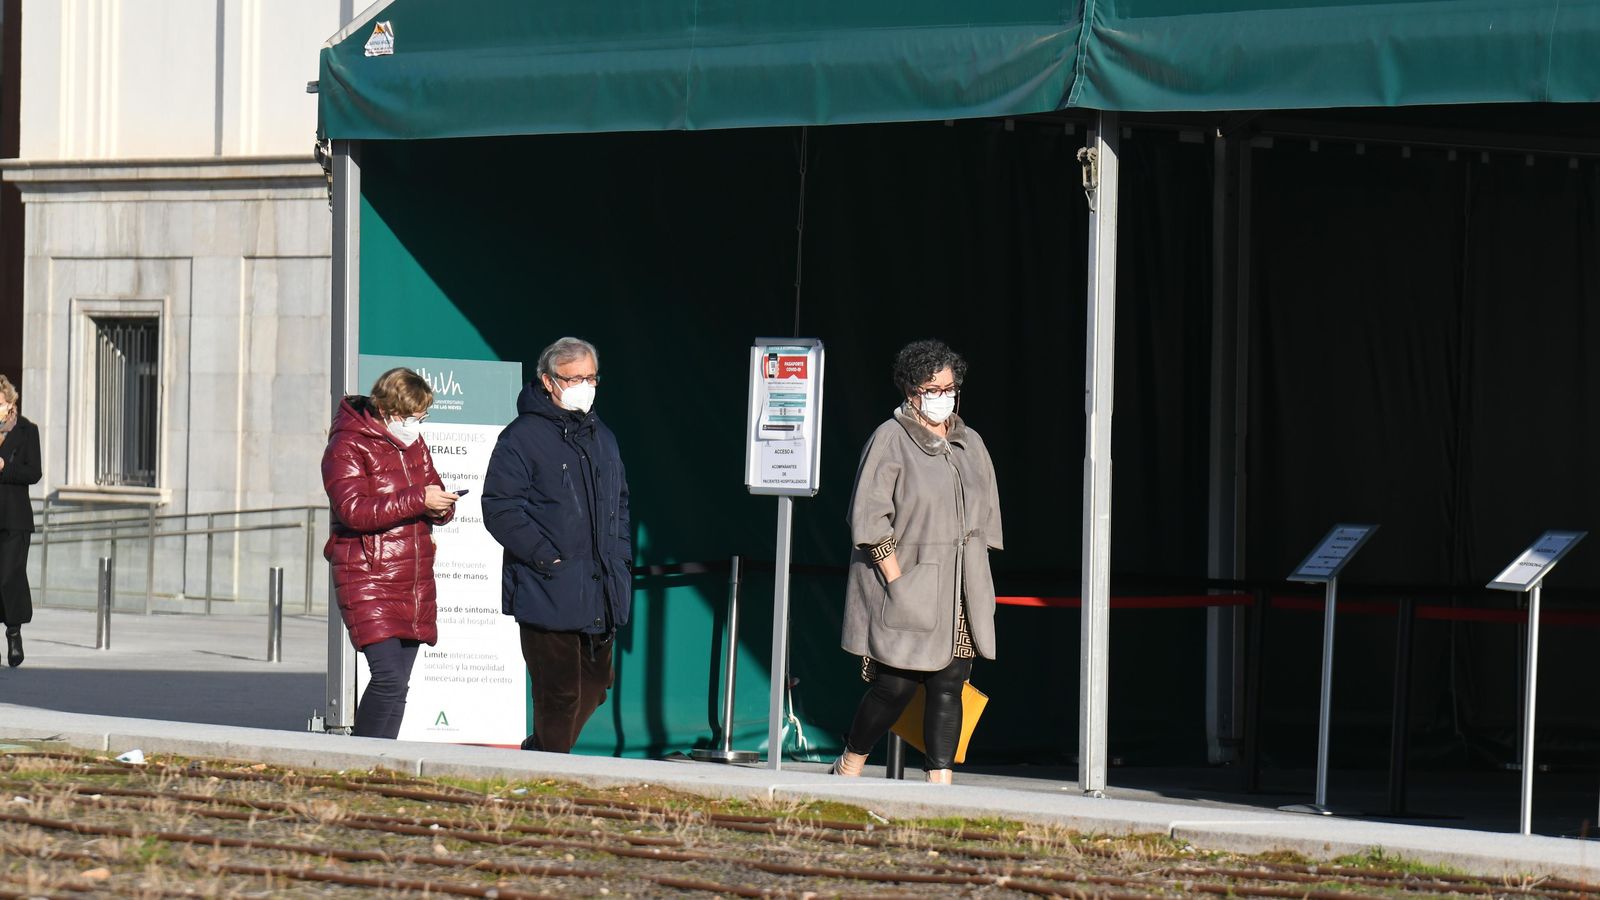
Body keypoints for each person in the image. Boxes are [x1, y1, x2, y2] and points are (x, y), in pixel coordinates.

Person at [833, 340, 1003, 784]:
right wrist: (897, 579)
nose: (943, 396)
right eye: (933, 387)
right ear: (911, 391)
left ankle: (939, 786)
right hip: (908, 586)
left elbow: (986, 518)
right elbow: (868, 518)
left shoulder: (970, 443)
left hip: (960, 590)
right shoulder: (890, 439)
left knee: (950, 684)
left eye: (950, 387)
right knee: (895, 686)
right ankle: (850, 761)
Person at [483, 336, 631, 753]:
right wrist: (547, 556)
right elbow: (500, 508)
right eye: (574, 378)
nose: (584, 385)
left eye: (591, 377)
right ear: (548, 382)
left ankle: (540, 753)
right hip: (546, 585)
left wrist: (620, 558)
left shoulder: (603, 437)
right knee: (559, 694)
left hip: (600, 585)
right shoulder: (521, 437)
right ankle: (549, 769)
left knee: (598, 685)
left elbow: (620, 503)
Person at [322, 368, 457, 738]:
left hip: (412, 577)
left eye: (421, 417)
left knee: (400, 686)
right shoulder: (346, 445)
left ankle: (384, 761)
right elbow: (353, 511)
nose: (416, 424)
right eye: (410, 416)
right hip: (367, 572)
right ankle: (358, 761)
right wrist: (419, 499)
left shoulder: (414, 443)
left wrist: (442, 506)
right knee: (388, 678)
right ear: (385, 409)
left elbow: (434, 490)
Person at [0, 375, 41, 668]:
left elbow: (34, 472)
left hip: (14, 517)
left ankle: (13, 632)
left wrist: (5, 468)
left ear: (10, 402)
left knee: (8, 576)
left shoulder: (27, 430)